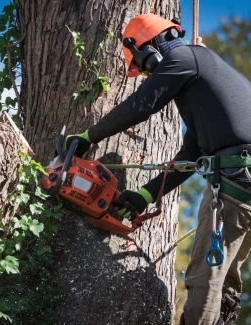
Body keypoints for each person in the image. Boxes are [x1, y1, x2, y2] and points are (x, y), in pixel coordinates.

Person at [65, 13, 251, 325]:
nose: (147, 75)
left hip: (234, 186)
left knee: (204, 281)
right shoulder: (204, 79)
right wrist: (144, 195)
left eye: (143, 67)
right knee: (225, 281)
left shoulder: (183, 59)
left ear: (148, 50)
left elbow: (142, 104)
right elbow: (191, 154)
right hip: (243, 188)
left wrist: (88, 136)